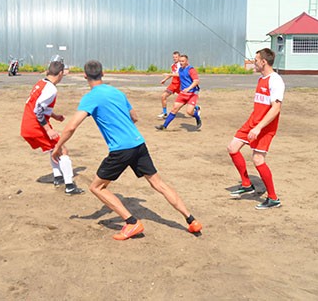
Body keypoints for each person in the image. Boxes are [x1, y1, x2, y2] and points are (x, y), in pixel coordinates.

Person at [51, 60, 202, 240]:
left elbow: (71, 127)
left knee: (97, 187)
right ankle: (191, 220)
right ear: (103, 74)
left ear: (85, 76)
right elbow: (135, 117)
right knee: (159, 184)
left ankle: (131, 223)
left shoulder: (90, 97)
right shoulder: (117, 92)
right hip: (138, 143)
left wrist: (58, 147)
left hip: (121, 150)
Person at [227, 48, 284, 209]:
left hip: (265, 127)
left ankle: (273, 198)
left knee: (258, 159)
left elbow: (276, 108)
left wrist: (259, 128)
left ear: (263, 62)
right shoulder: (261, 79)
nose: (254, 62)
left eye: (256, 59)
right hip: (252, 122)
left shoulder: (275, 80)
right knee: (232, 148)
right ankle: (246, 184)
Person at [21, 60, 84, 195]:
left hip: (27, 124)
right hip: (35, 126)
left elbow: (35, 105)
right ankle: (70, 186)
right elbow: (38, 110)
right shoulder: (51, 89)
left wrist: (54, 116)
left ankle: (58, 177)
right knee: (62, 149)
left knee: (53, 148)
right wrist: (48, 129)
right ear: (60, 73)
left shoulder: (41, 83)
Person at [156, 54, 202, 131]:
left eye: (183, 61)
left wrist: (188, 88)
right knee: (174, 109)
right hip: (183, 94)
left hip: (192, 94)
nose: (181, 62)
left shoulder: (191, 70)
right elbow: (179, 75)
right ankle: (164, 126)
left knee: (189, 112)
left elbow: (196, 81)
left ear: (187, 61)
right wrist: (169, 75)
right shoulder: (180, 69)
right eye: (180, 61)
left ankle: (197, 117)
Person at [157, 51, 181, 119]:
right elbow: (172, 73)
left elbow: (179, 75)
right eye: (174, 57)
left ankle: (196, 108)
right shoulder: (173, 65)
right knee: (163, 96)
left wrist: (169, 74)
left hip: (180, 85)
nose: (175, 58)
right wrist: (165, 79)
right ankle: (164, 113)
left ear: (179, 57)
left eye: (176, 57)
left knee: (186, 100)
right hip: (173, 85)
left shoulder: (181, 65)